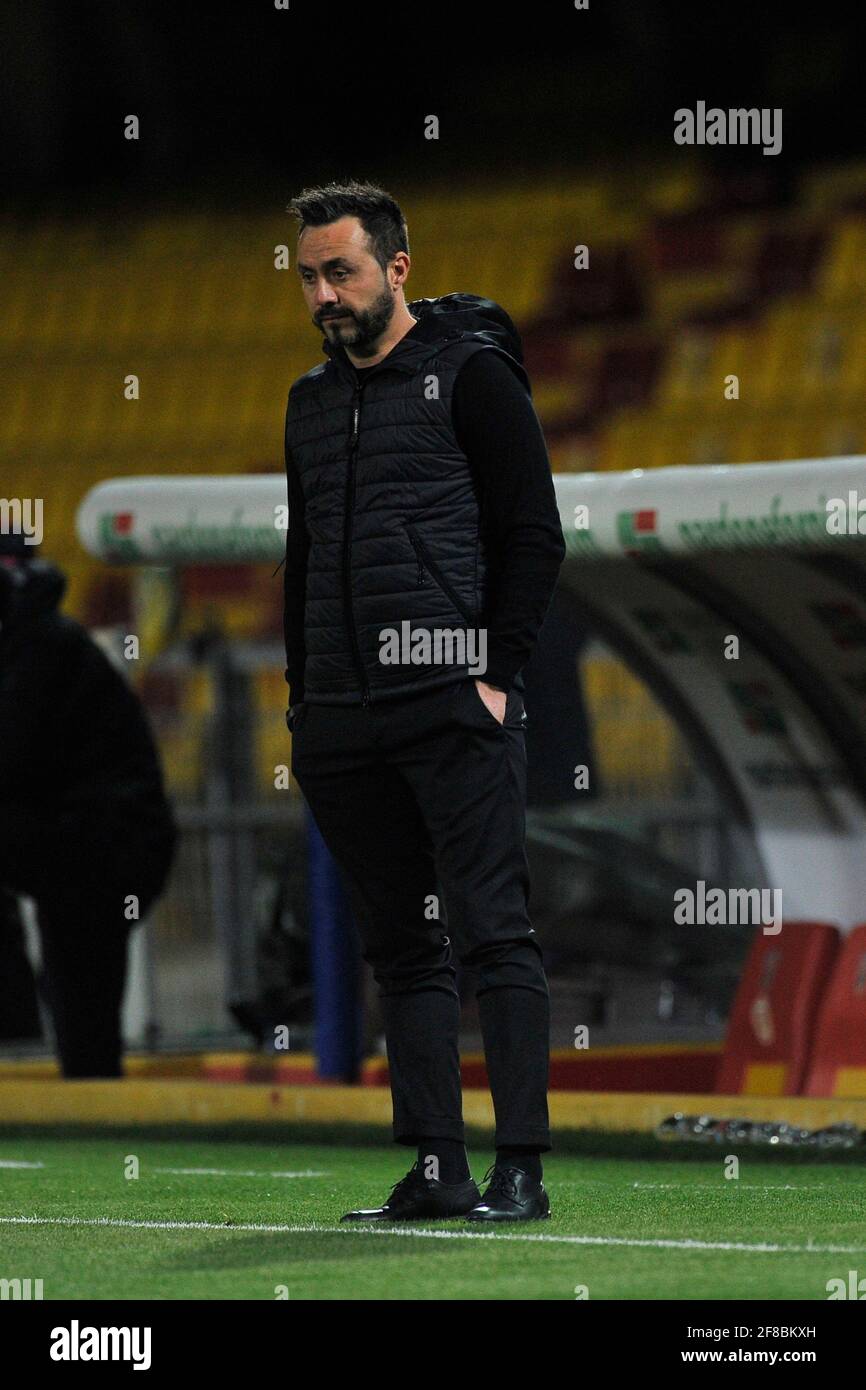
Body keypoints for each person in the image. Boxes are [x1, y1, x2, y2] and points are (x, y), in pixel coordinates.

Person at [283, 181, 565, 1221]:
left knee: (494, 932)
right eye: (309, 274)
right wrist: (304, 701)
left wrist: (492, 674)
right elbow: (300, 561)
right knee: (400, 946)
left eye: (340, 269)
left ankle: (521, 1169)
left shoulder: (472, 378)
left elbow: (533, 535)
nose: (323, 292)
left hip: (452, 702)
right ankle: (437, 1167)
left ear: (395, 268)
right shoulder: (308, 402)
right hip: (344, 722)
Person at [0, 537, 177, 1076]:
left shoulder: (38, 646)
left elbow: (11, 759)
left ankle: (54, 1068)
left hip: (101, 849)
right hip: (95, 843)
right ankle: (39, 1053)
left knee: (84, 1014)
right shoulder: (35, 637)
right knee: (81, 1006)